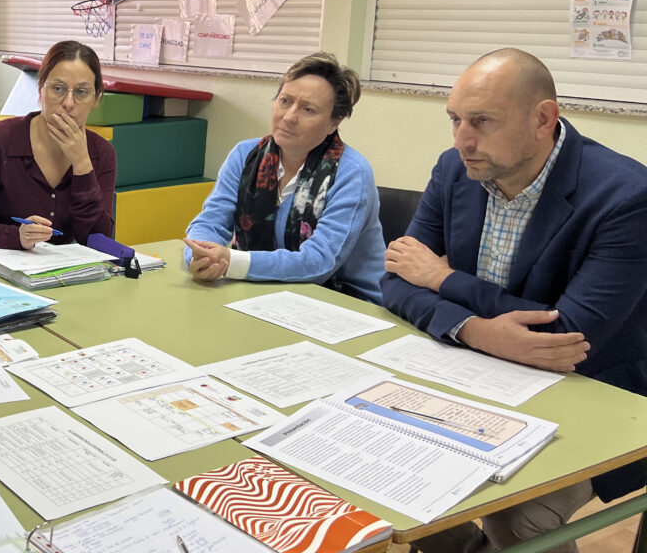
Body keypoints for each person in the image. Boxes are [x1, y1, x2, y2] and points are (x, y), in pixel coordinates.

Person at [381, 48, 647, 553]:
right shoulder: (456, 170)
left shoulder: (627, 195)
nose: (463, 139)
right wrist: (474, 329)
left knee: (516, 514)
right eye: (455, 119)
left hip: (598, 389)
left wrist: (444, 279)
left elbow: (564, 338)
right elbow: (397, 280)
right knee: (389, 463)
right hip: (478, 368)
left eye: (482, 121)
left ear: (543, 118)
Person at [183, 52, 385, 303]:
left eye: (308, 109)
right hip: (261, 294)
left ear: (334, 122)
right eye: (285, 101)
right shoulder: (245, 155)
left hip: (344, 301)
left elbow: (320, 262)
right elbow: (210, 222)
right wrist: (200, 257)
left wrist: (231, 261)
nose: (289, 117)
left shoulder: (352, 173)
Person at [0, 40, 116, 249]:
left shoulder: (102, 153)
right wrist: (17, 236)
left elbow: (98, 239)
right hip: (3, 268)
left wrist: (82, 163)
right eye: (58, 89)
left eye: (81, 92)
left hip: (70, 273)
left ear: (95, 98)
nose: (68, 103)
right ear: (41, 90)